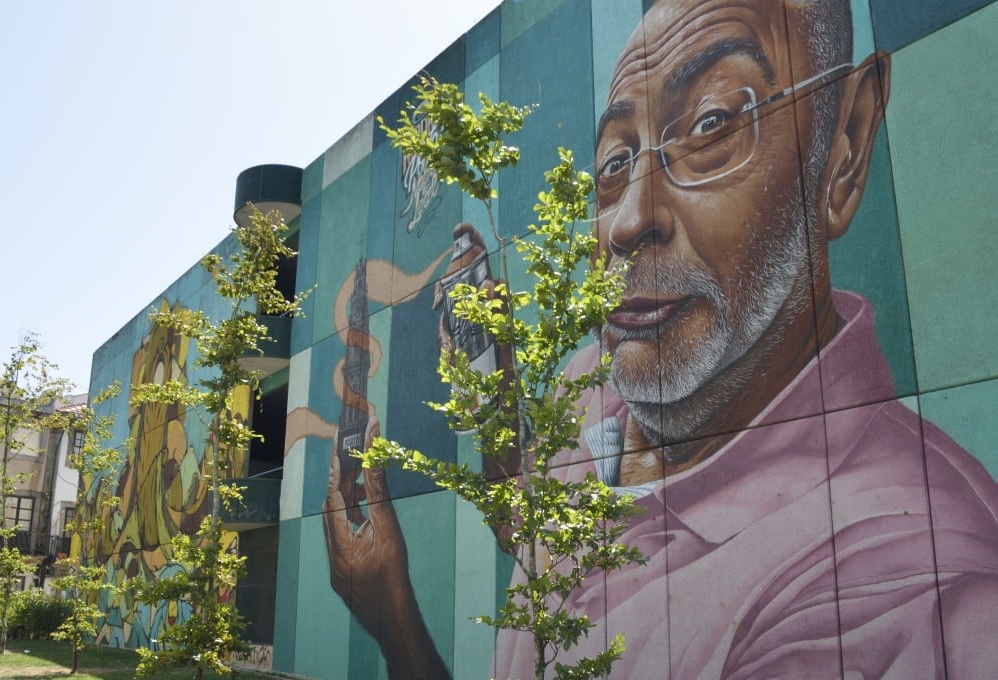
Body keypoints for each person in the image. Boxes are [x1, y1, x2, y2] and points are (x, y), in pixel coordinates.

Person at [325, 0, 998, 677]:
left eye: (712, 124)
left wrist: (399, 628)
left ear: (844, 146)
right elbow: (539, 541)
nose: (630, 220)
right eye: (616, 162)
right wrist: (494, 402)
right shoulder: (594, 384)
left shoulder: (891, 597)